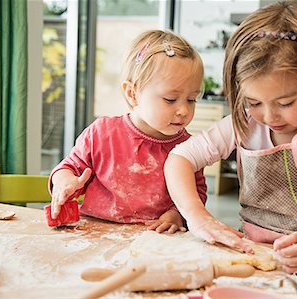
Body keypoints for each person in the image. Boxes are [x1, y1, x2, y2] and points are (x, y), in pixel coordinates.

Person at [164, 1, 297, 272]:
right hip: (251, 256)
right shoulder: (244, 124)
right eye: (254, 102)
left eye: (285, 103)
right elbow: (179, 158)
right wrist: (197, 216)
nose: (269, 116)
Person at [49, 29, 207, 233]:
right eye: (170, 99)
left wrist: (177, 214)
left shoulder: (189, 149)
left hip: (154, 239)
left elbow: (197, 192)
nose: (184, 110)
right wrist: (64, 181)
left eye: (192, 99)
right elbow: (69, 167)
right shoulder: (101, 133)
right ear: (133, 93)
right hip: (96, 234)